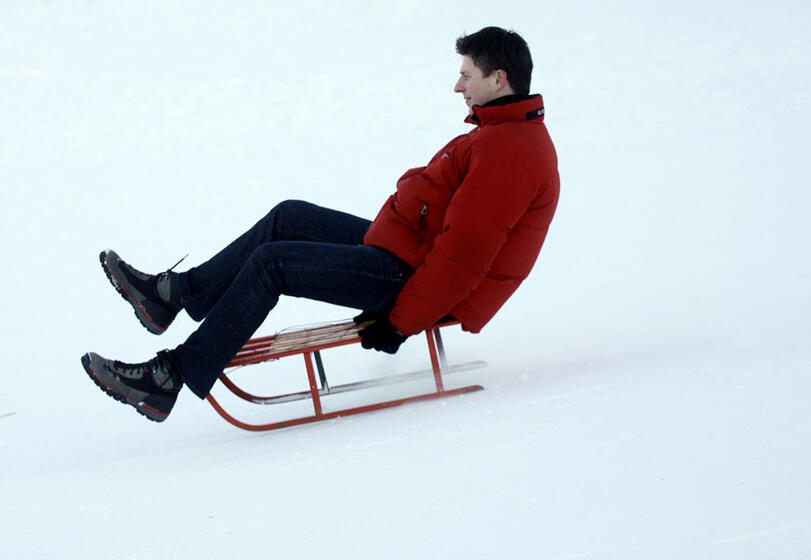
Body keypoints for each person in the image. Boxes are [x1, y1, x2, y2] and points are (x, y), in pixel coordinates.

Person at [80, 26, 560, 423]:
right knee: (289, 216)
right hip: (407, 253)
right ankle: (174, 296)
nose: (458, 86)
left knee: (273, 264)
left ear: (499, 79)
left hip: (412, 279)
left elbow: (464, 257)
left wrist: (400, 323)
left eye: (466, 75)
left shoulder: (510, 152)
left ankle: (169, 377)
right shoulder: (503, 135)